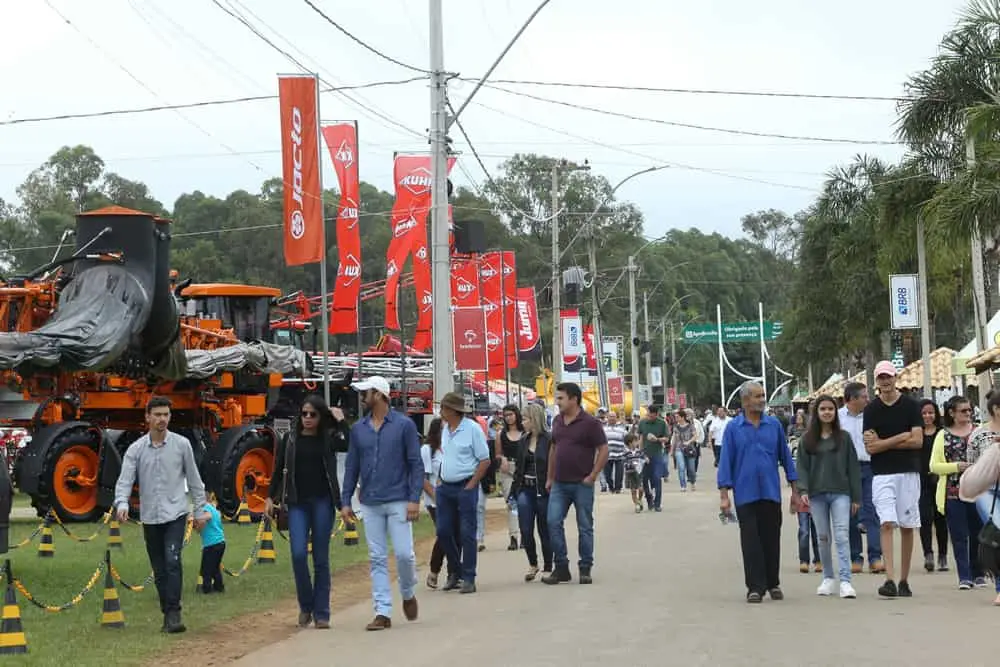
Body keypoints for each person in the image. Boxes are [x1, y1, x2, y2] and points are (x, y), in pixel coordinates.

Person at [113, 396, 209, 634]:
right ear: (147, 417)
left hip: (176, 513)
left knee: (172, 560)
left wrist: (200, 510)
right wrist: (122, 503)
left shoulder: (182, 445)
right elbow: (125, 480)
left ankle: (175, 612)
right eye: (157, 415)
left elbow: (195, 480)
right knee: (160, 568)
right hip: (150, 516)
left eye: (166, 414)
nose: (162, 419)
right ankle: (167, 612)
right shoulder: (136, 449)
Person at [341, 376, 423, 630]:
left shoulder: (404, 425)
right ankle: (383, 611)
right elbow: (351, 466)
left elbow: (415, 464)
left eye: (366, 392)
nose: (363, 397)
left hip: (399, 498)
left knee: (404, 554)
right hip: (371, 501)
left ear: (379, 395)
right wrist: (345, 502)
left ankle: (408, 592)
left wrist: (414, 498)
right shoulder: (358, 429)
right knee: (376, 557)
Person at [267, 394, 347, 628]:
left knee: (320, 558)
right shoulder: (290, 439)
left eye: (313, 414)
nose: (308, 418)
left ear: (321, 417)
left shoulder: (328, 438)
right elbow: (278, 468)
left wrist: (340, 421)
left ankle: (322, 612)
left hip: (323, 501)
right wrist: (269, 498)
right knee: (298, 554)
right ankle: (305, 606)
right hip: (297, 503)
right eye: (304, 414)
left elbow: (347, 444)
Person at [718, 381, 800, 603]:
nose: (762, 399)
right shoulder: (734, 428)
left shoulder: (773, 425)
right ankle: (755, 587)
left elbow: (786, 459)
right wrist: (724, 496)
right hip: (745, 494)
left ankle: (773, 583)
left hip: (770, 493)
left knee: (771, 539)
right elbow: (726, 462)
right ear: (745, 401)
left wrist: (795, 492)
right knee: (750, 540)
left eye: (763, 395)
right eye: (757, 396)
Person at [863, 360, 923, 599]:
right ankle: (889, 578)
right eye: (881, 378)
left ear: (895, 377)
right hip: (882, 474)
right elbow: (871, 448)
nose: (885, 382)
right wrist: (901, 437)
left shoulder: (911, 406)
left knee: (907, 526)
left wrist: (883, 442)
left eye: (888, 376)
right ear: (876, 381)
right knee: (886, 522)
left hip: (908, 472)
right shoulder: (871, 410)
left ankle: (904, 579)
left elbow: (918, 441)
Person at [795, 395, 861, 599]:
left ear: (835, 412)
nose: (826, 412)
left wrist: (856, 497)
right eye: (823, 409)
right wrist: (803, 491)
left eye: (830, 409)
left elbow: (853, 467)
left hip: (841, 492)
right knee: (823, 538)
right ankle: (828, 577)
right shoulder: (807, 439)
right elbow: (802, 468)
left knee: (842, 535)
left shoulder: (844, 438)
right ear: (816, 413)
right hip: (816, 494)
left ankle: (846, 581)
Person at [544, 382, 609, 585]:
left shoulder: (590, 423)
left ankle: (585, 567)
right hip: (559, 484)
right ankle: (561, 566)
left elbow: (603, 449)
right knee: (553, 522)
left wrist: (593, 475)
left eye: (561, 398)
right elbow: (553, 450)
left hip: (582, 484)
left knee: (585, 526)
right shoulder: (557, 422)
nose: (558, 401)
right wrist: (550, 477)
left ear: (574, 399)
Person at [436, 392, 491, 594]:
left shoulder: (472, 429)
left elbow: (485, 460)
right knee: (443, 531)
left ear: (453, 410)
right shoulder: (445, 429)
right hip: (445, 487)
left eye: (443, 408)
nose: (441, 412)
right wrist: (441, 478)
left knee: (467, 533)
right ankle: (455, 571)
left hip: (465, 485)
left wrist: (472, 484)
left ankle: (468, 576)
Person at [929, 396, 984, 589]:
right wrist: (955, 466)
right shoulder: (942, 436)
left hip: (978, 491)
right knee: (959, 536)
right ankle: (964, 576)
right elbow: (934, 466)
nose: (968, 414)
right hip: (953, 492)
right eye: (963, 411)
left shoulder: (979, 432)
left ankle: (979, 574)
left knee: (979, 534)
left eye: (969, 410)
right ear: (951, 413)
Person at [959, 395, 1000, 605]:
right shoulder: (980, 434)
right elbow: (972, 465)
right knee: (997, 532)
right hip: (987, 491)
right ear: (995, 409)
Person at [839, 381, 883, 574]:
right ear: (852, 399)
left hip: (870, 466)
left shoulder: (873, 415)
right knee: (851, 513)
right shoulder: (838, 418)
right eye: (864, 396)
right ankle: (856, 557)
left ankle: (876, 557)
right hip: (846, 469)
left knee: (872, 511)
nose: (868, 399)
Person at [509, 403, 553, 581]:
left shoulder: (549, 440)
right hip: (525, 489)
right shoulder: (523, 441)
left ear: (535, 419)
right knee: (525, 529)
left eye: (526, 418)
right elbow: (519, 468)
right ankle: (533, 563)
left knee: (545, 529)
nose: (522, 422)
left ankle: (548, 565)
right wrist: (514, 491)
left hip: (543, 489)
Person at [918, 399, 949, 572]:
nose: (928, 416)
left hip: (939, 479)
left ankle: (943, 556)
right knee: (924, 518)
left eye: (931, 412)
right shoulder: (915, 433)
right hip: (921, 479)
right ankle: (927, 554)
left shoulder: (942, 433)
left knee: (940, 518)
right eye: (924, 413)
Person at [421, 418, 453, 590]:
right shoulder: (427, 450)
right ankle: (435, 571)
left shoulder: (450, 447)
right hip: (435, 501)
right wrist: (436, 497)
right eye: (443, 429)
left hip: (452, 497)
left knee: (453, 534)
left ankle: (453, 573)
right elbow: (423, 479)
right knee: (444, 533)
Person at [495, 404, 524, 551]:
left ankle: (525, 535)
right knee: (512, 504)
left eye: (511, 414)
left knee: (524, 503)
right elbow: (497, 453)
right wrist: (502, 459)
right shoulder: (501, 434)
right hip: (507, 470)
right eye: (506, 415)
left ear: (516, 415)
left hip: (523, 469)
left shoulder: (525, 432)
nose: (508, 418)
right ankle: (513, 536)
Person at [638, 406, 669, 511]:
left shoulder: (662, 423)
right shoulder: (642, 423)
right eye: (647, 414)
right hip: (645, 454)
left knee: (656, 478)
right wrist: (640, 452)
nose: (648, 416)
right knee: (645, 479)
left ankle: (657, 504)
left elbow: (666, 438)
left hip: (657, 454)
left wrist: (657, 439)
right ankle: (649, 500)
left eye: (650, 414)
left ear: (656, 414)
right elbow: (641, 438)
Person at [195, 494, 225, 595]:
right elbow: (204, 525)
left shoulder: (206, 508)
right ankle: (219, 587)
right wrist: (197, 527)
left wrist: (196, 518)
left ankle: (207, 589)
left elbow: (207, 517)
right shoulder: (213, 508)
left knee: (206, 569)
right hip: (220, 542)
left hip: (212, 544)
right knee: (215, 567)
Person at [670, 409, 699, 492]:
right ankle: (683, 485)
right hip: (679, 449)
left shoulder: (690, 426)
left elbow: (695, 436)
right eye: (675, 417)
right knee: (681, 467)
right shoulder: (676, 427)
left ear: (683, 417)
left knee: (691, 469)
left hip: (690, 449)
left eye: (677, 417)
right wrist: (672, 450)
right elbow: (675, 439)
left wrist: (689, 442)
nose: (676, 418)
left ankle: (692, 482)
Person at [603, 412, 627, 494]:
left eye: (614, 416)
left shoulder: (621, 428)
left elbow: (626, 439)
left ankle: (618, 488)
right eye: (610, 416)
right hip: (607, 455)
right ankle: (611, 487)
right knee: (607, 474)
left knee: (619, 474)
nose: (612, 418)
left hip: (620, 454)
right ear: (607, 418)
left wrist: (627, 451)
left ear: (616, 418)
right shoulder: (603, 429)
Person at [624, 433, 646, 513]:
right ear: (630, 443)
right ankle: (636, 504)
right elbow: (624, 462)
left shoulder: (638, 451)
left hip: (638, 472)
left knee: (641, 489)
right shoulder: (626, 452)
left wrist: (646, 459)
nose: (636, 443)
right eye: (635, 441)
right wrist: (630, 464)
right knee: (633, 490)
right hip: (630, 473)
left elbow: (643, 456)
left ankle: (639, 500)